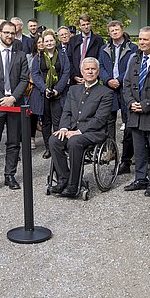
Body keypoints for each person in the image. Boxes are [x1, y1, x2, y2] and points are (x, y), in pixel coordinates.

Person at [48, 57, 114, 197]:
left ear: (98, 71)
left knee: (74, 141)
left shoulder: (106, 92)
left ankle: (73, 185)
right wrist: (64, 128)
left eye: (93, 69)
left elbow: (100, 119)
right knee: (54, 140)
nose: (90, 72)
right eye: (87, 69)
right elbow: (66, 111)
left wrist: (78, 131)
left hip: (94, 132)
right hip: (72, 129)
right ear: (81, 72)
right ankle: (64, 179)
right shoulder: (73, 90)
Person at [0, 20, 30, 194]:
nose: (9, 36)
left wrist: (13, 98)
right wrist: (2, 98)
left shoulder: (21, 55)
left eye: (12, 33)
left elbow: (24, 79)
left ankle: (10, 175)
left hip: (15, 106)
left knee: (14, 143)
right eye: (6, 32)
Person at [122, 27, 150, 197]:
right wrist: (131, 102)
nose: (141, 42)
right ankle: (140, 178)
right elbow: (126, 84)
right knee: (139, 147)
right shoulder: (134, 58)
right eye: (140, 39)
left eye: (145, 39)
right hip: (135, 110)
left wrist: (147, 104)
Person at [99, 20, 138, 174]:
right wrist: (108, 80)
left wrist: (120, 80)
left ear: (122, 30)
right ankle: (111, 150)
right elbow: (100, 66)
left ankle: (129, 155)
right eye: (112, 30)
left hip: (126, 87)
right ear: (109, 33)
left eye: (117, 29)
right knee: (109, 121)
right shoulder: (104, 48)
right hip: (108, 88)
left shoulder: (132, 47)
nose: (114, 32)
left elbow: (132, 66)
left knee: (129, 121)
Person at [30, 29, 71, 159]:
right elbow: (35, 74)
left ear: (55, 41)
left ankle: (59, 147)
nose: (49, 43)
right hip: (44, 93)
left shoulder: (62, 55)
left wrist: (58, 89)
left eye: (51, 40)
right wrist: (44, 89)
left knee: (58, 121)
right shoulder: (38, 57)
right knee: (46, 122)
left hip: (59, 93)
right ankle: (48, 147)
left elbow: (65, 73)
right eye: (46, 41)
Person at [67, 14, 103, 84]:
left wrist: (91, 77)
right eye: (83, 25)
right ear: (79, 26)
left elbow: (100, 60)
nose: (86, 27)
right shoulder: (73, 40)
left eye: (88, 24)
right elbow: (69, 59)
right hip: (75, 80)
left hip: (92, 79)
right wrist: (74, 76)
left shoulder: (98, 40)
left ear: (91, 24)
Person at [26, 34, 45, 149]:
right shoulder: (29, 57)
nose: (41, 44)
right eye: (39, 42)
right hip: (33, 87)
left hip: (46, 87)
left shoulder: (50, 56)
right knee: (33, 114)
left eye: (43, 42)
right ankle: (31, 137)